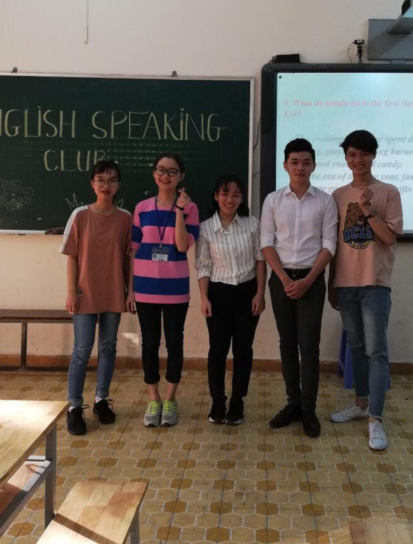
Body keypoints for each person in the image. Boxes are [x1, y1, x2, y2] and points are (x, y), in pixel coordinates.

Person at [328, 130, 403, 451]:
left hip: (375, 285)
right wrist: (331, 283)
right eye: (352, 154)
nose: (357, 160)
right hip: (345, 284)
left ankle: (376, 418)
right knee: (356, 348)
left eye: (363, 154)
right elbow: (333, 244)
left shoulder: (388, 192)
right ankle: (360, 404)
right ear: (346, 158)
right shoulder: (337, 195)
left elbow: (389, 238)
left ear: (374, 155)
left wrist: (368, 210)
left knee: (376, 351)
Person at [260, 138, 338, 438]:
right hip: (281, 280)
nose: (300, 167)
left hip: (311, 280)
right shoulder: (273, 200)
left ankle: (308, 409)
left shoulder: (325, 201)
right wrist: (284, 279)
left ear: (314, 165)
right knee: (287, 342)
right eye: (294, 162)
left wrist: (307, 281)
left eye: (306, 162)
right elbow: (266, 242)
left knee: (309, 344)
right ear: (285, 165)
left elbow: (329, 244)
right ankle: (292, 403)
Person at [127, 153, 199, 428]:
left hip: (175, 288)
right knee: (149, 343)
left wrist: (179, 210)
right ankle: (153, 398)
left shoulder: (190, 208)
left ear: (181, 176)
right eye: (161, 169)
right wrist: (130, 290)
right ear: (154, 173)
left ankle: (170, 398)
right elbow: (133, 250)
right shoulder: (141, 208)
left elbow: (181, 246)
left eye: (172, 171)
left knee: (174, 342)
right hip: (145, 288)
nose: (165, 175)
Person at [60, 160, 132, 436]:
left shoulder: (125, 218)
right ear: (92, 183)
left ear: (119, 185)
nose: (106, 185)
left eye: (112, 180)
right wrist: (71, 291)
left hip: (113, 291)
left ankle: (102, 399)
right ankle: (74, 406)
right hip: (85, 292)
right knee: (82, 349)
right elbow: (72, 256)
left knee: (108, 347)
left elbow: (128, 259)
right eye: (100, 179)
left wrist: (130, 291)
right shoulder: (80, 215)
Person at [196, 174, 266, 425]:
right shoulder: (205, 228)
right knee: (217, 350)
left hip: (247, 292)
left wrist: (260, 293)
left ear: (242, 198)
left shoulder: (252, 224)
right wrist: (204, 298)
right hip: (218, 294)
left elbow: (260, 260)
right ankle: (218, 401)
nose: (230, 199)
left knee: (243, 350)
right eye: (225, 194)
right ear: (216, 196)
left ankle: (237, 401)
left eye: (236, 195)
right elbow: (203, 266)